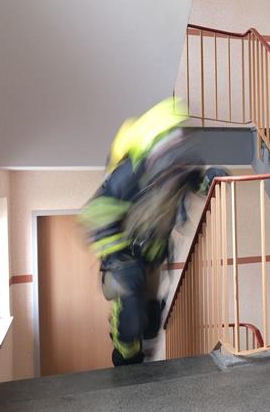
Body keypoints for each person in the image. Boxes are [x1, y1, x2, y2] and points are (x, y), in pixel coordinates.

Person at [78, 99, 224, 365]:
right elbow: (95, 215)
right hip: (126, 258)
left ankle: (146, 365)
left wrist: (212, 178)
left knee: (153, 319)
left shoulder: (181, 166)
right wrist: (118, 261)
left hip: (155, 254)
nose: (175, 144)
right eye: (169, 138)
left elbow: (197, 183)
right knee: (131, 316)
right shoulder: (129, 174)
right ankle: (124, 360)